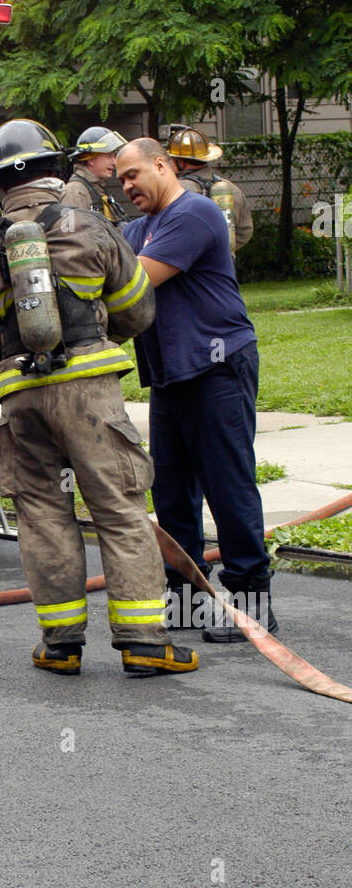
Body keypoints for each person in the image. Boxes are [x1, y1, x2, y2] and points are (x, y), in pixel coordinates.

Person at [0, 118, 198, 678]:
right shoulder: (90, 227)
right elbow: (138, 308)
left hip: (20, 403)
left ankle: (60, 645)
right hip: (90, 395)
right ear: (55, 170)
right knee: (118, 508)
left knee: (43, 516)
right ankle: (144, 641)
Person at [115, 137, 277, 642]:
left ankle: (252, 605)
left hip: (217, 366)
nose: (126, 186)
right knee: (172, 494)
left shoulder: (197, 212)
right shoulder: (139, 227)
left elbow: (133, 281)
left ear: (162, 166)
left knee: (227, 487)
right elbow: (103, 259)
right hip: (170, 374)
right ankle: (186, 601)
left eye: (133, 174)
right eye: (120, 179)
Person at [166, 125, 253, 255]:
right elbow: (245, 231)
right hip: (224, 268)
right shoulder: (231, 188)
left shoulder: (175, 191)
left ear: (180, 162)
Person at [63, 125, 137, 225]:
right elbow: (75, 234)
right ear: (91, 159)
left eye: (114, 156)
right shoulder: (75, 191)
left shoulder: (96, 188)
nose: (114, 162)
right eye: (109, 156)